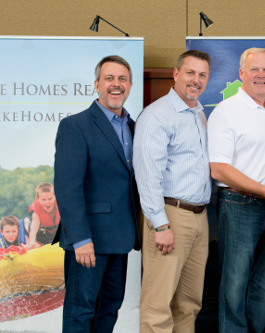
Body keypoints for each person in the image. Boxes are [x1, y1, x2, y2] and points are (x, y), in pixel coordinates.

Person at [53, 55, 141, 333]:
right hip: (88, 240)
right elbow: (67, 188)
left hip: (121, 236)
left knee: (110, 307)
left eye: (122, 79)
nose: (116, 85)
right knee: (80, 310)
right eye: (109, 78)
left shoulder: (133, 126)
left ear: (130, 85)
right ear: (97, 84)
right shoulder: (75, 126)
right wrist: (80, 239)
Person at [208, 47, 265, 333]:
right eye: (254, 69)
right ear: (241, 73)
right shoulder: (226, 111)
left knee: (264, 287)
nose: (260, 75)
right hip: (240, 206)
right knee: (234, 287)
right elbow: (218, 169)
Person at [133, 50, 212, 333]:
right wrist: (160, 223)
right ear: (176, 74)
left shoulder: (199, 114)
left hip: (199, 217)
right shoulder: (157, 115)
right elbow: (147, 175)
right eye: (190, 73)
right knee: (158, 307)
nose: (196, 80)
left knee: (188, 305)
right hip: (170, 216)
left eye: (202, 75)